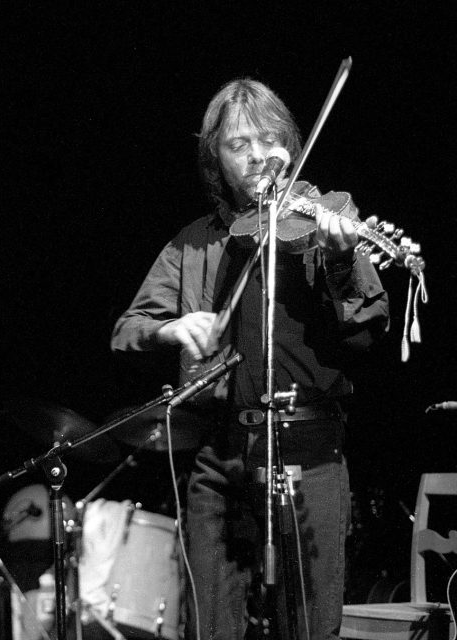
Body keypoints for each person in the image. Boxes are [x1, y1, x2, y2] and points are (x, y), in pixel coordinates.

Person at [111, 79, 390, 640]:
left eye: (268, 139)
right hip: (218, 458)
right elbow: (127, 330)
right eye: (238, 144)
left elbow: (367, 333)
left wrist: (340, 265)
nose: (258, 154)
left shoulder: (323, 222)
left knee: (310, 628)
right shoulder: (193, 243)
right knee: (211, 627)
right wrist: (169, 331)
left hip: (309, 449)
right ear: (216, 159)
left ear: (289, 142)